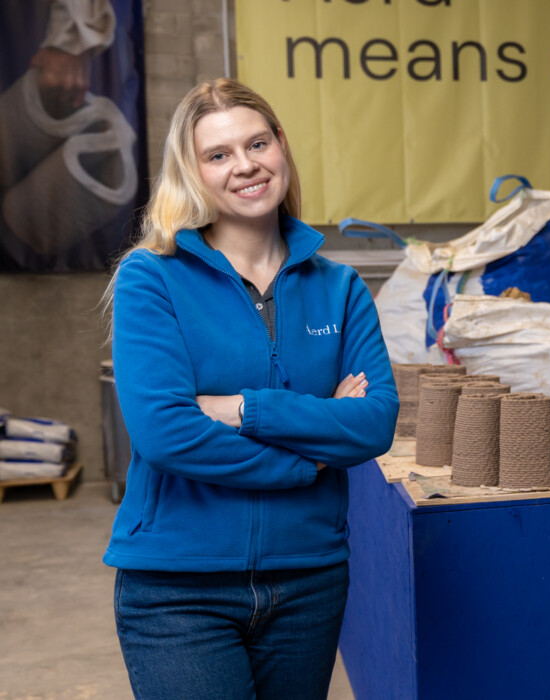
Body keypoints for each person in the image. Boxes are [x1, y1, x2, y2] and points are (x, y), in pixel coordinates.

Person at [102, 78, 397, 699]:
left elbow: (374, 423)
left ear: (281, 147)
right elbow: (166, 435)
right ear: (193, 172)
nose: (246, 166)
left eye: (257, 143)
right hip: (177, 587)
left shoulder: (340, 288)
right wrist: (312, 454)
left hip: (309, 581)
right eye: (219, 154)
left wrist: (243, 409)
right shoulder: (151, 279)